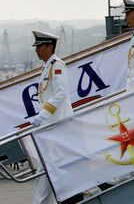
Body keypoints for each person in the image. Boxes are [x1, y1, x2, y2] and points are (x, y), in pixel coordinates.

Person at [30, 30, 74, 204]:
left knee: (49, 167)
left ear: (50, 46)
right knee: (49, 168)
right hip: (50, 126)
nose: (37, 50)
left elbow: (60, 93)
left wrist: (42, 115)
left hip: (57, 124)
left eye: (40, 46)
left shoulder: (57, 65)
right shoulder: (48, 66)